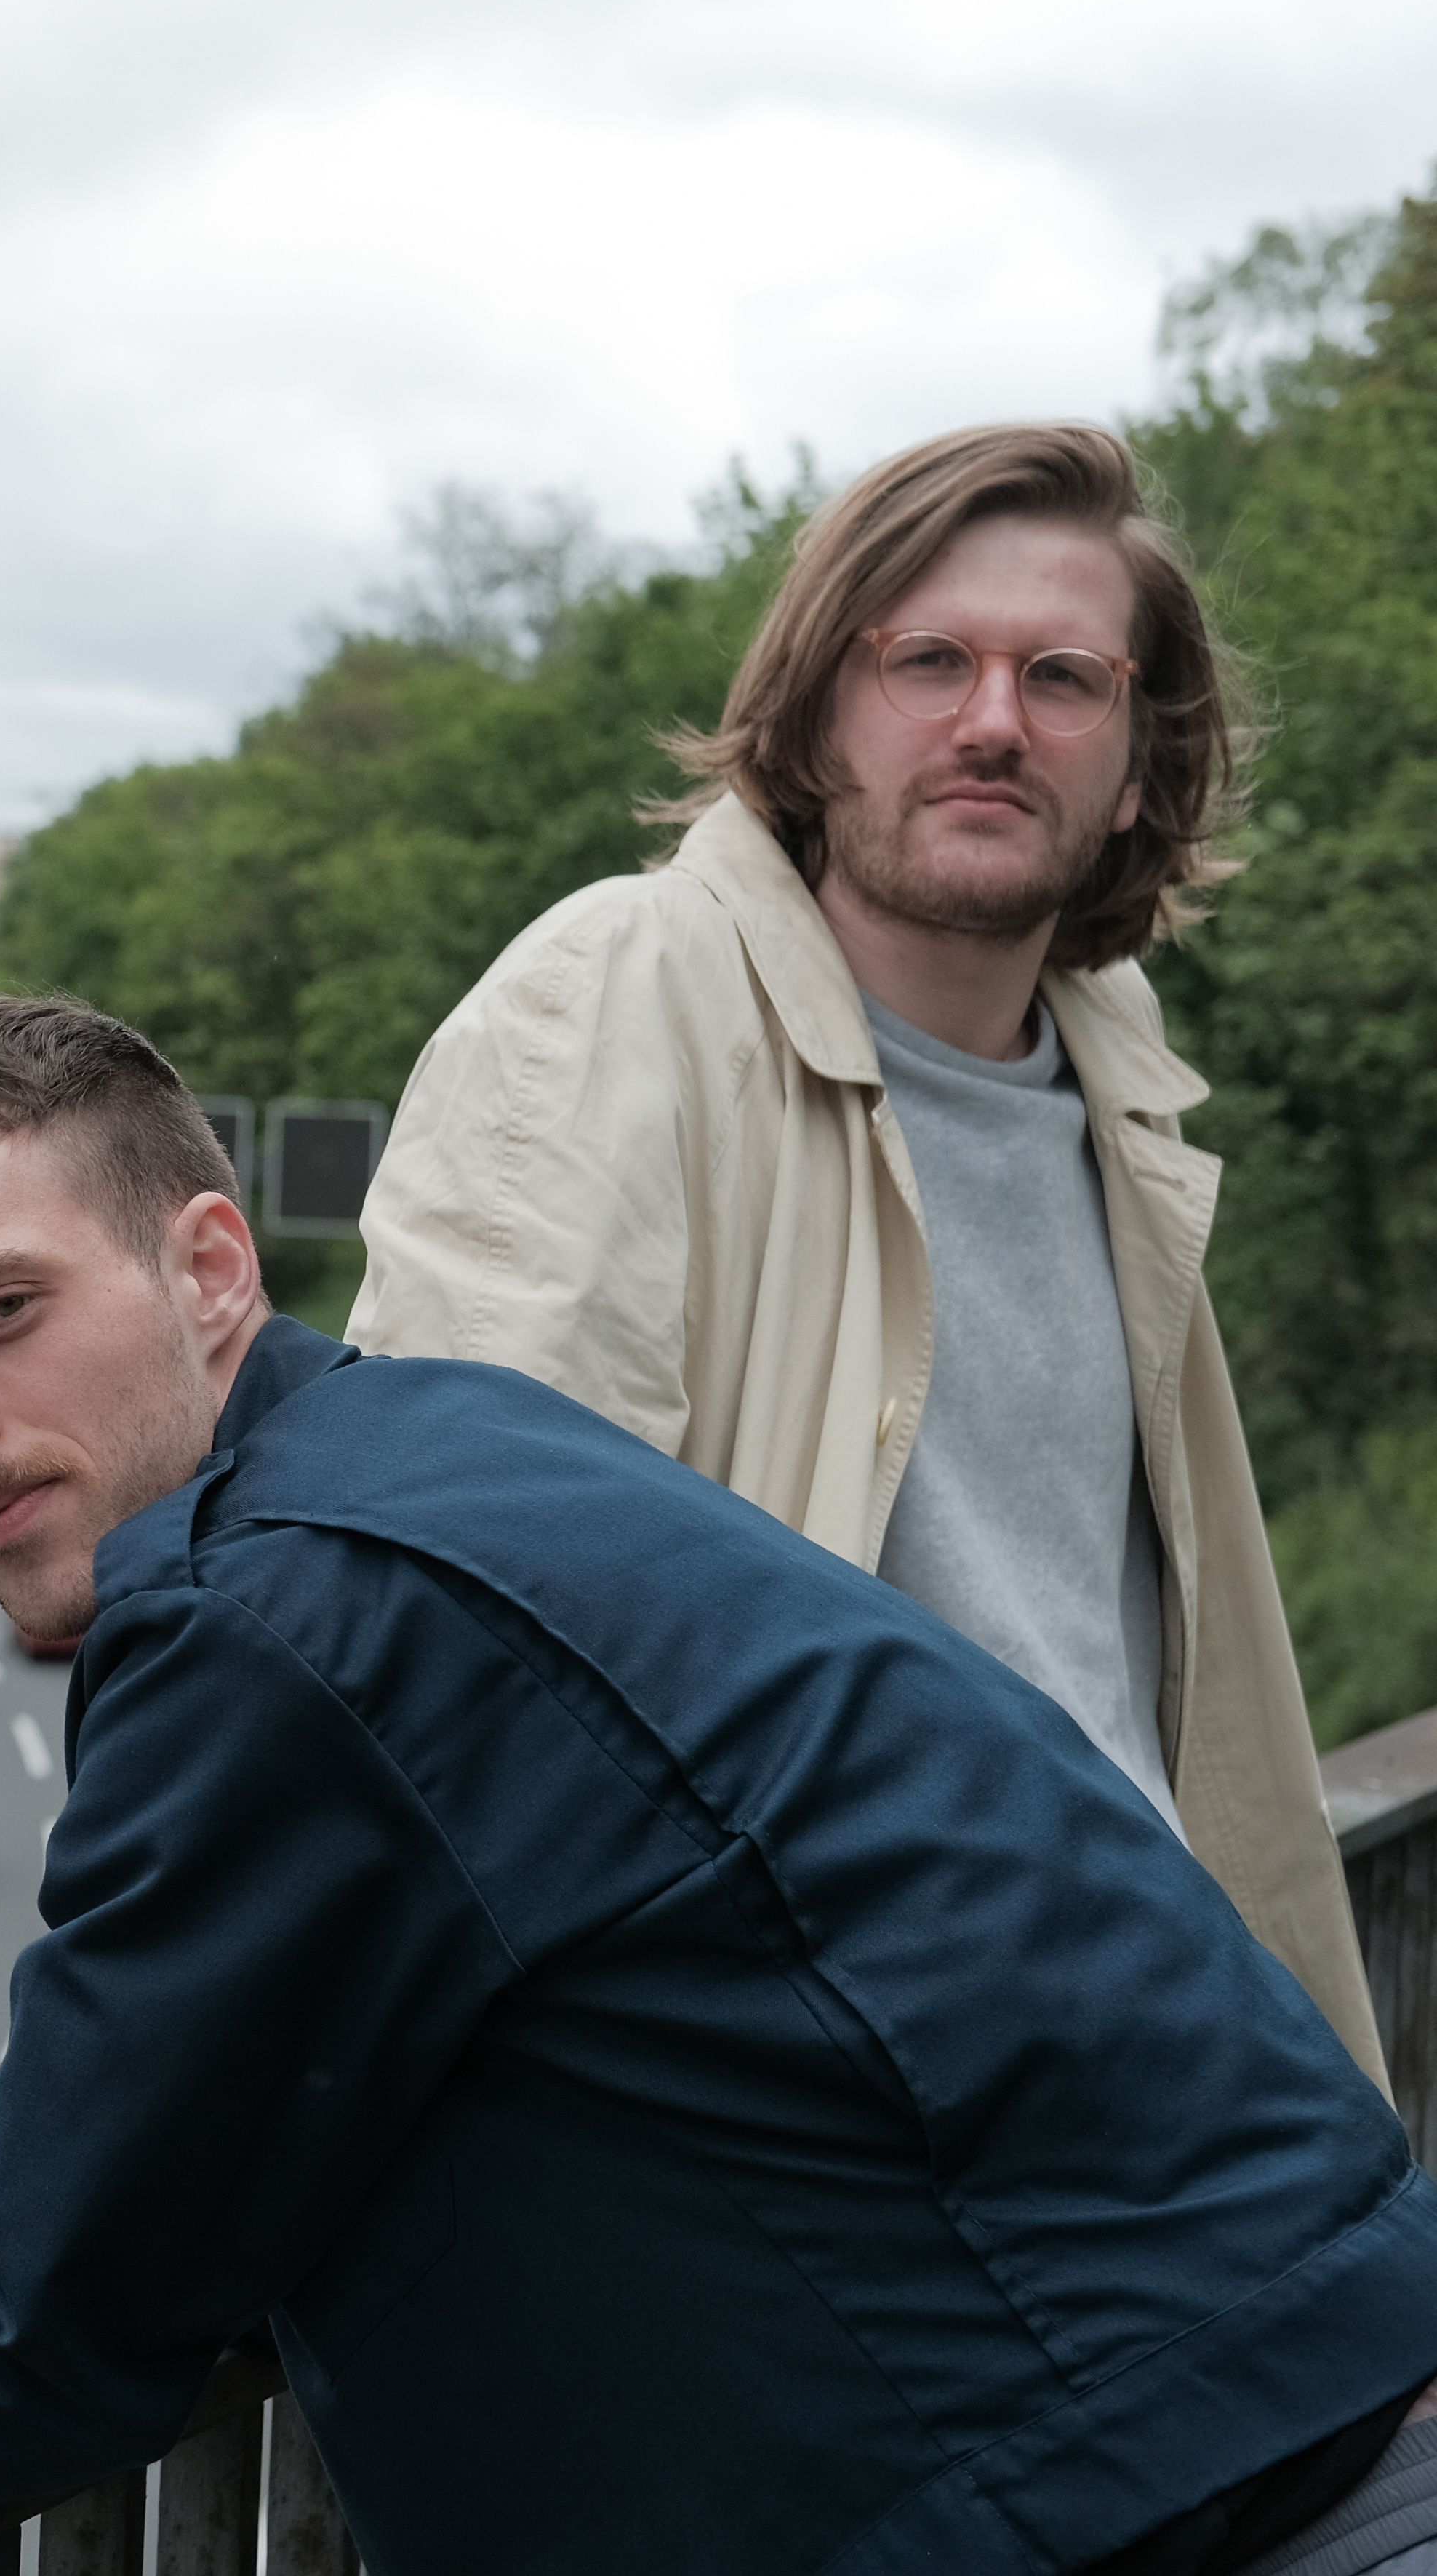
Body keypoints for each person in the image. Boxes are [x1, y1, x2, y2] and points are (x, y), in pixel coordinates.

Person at [0, 997, 1437, 2576]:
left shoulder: (270, 1627)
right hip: (1297, 2516)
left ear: (201, 1270)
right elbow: (242, 2154)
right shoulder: (415, 1468)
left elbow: (29, 2341)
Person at [346, 423, 1380, 2083]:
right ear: (820, 714)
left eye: (1062, 675)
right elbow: (450, 1638)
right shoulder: (618, 997)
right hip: (823, 2101)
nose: (990, 722)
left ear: (1134, 769)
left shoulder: (1119, 1086)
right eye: (927, 661)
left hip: (1143, 2059)